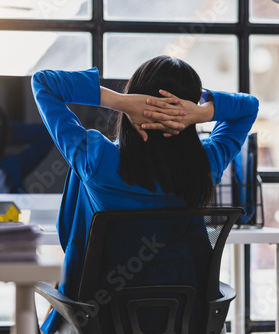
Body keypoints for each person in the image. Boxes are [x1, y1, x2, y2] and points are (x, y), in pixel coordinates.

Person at [31, 55, 259, 333]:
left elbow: (44, 83)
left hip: (101, 320)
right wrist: (199, 114)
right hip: (186, 322)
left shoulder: (97, 158)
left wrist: (121, 102)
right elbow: (249, 107)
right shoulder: (207, 163)